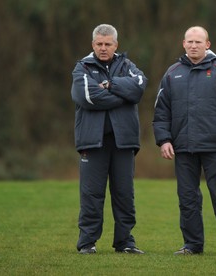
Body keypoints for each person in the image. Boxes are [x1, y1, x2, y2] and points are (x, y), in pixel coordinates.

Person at [153, 26, 216, 256]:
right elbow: (161, 112)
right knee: (187, 200)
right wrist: (164, 140)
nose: (193, 45)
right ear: (183, 44)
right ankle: (192, 245)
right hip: (183, 148)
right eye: (190, 41)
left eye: (198, 41)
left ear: (207, 44)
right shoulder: (172, 73)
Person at [71, 24, 147, 254]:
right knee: (92, 194)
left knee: (124, 193)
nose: (103, 48)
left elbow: (139, 87)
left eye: (108, 44)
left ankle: (125, 242)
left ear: (116, 45)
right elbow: (88, 97)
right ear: (93, 44)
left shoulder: (127, 66)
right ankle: (87, 243)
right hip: (93, 142)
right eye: (99, 44)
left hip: (123, 141)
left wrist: (111, 85)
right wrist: (123, 97)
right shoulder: (82, 68)